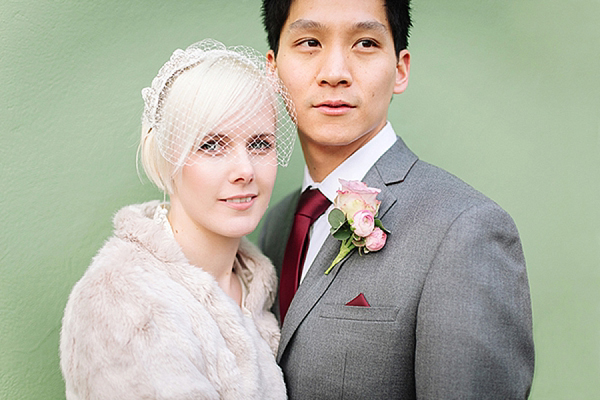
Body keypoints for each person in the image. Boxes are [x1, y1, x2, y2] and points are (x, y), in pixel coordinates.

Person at [258, 0, 535, 398]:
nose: (334, 73)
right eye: (309, 42)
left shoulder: (466, 229)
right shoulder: (277, 222)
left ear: (400, 69)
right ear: (273, 69)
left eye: (366, 43)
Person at [59, 39, 295, 399]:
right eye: (212, 145)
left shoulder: (257, 283)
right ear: (168, 155)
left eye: (260, 144)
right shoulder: (121, 301)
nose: (245, 170)